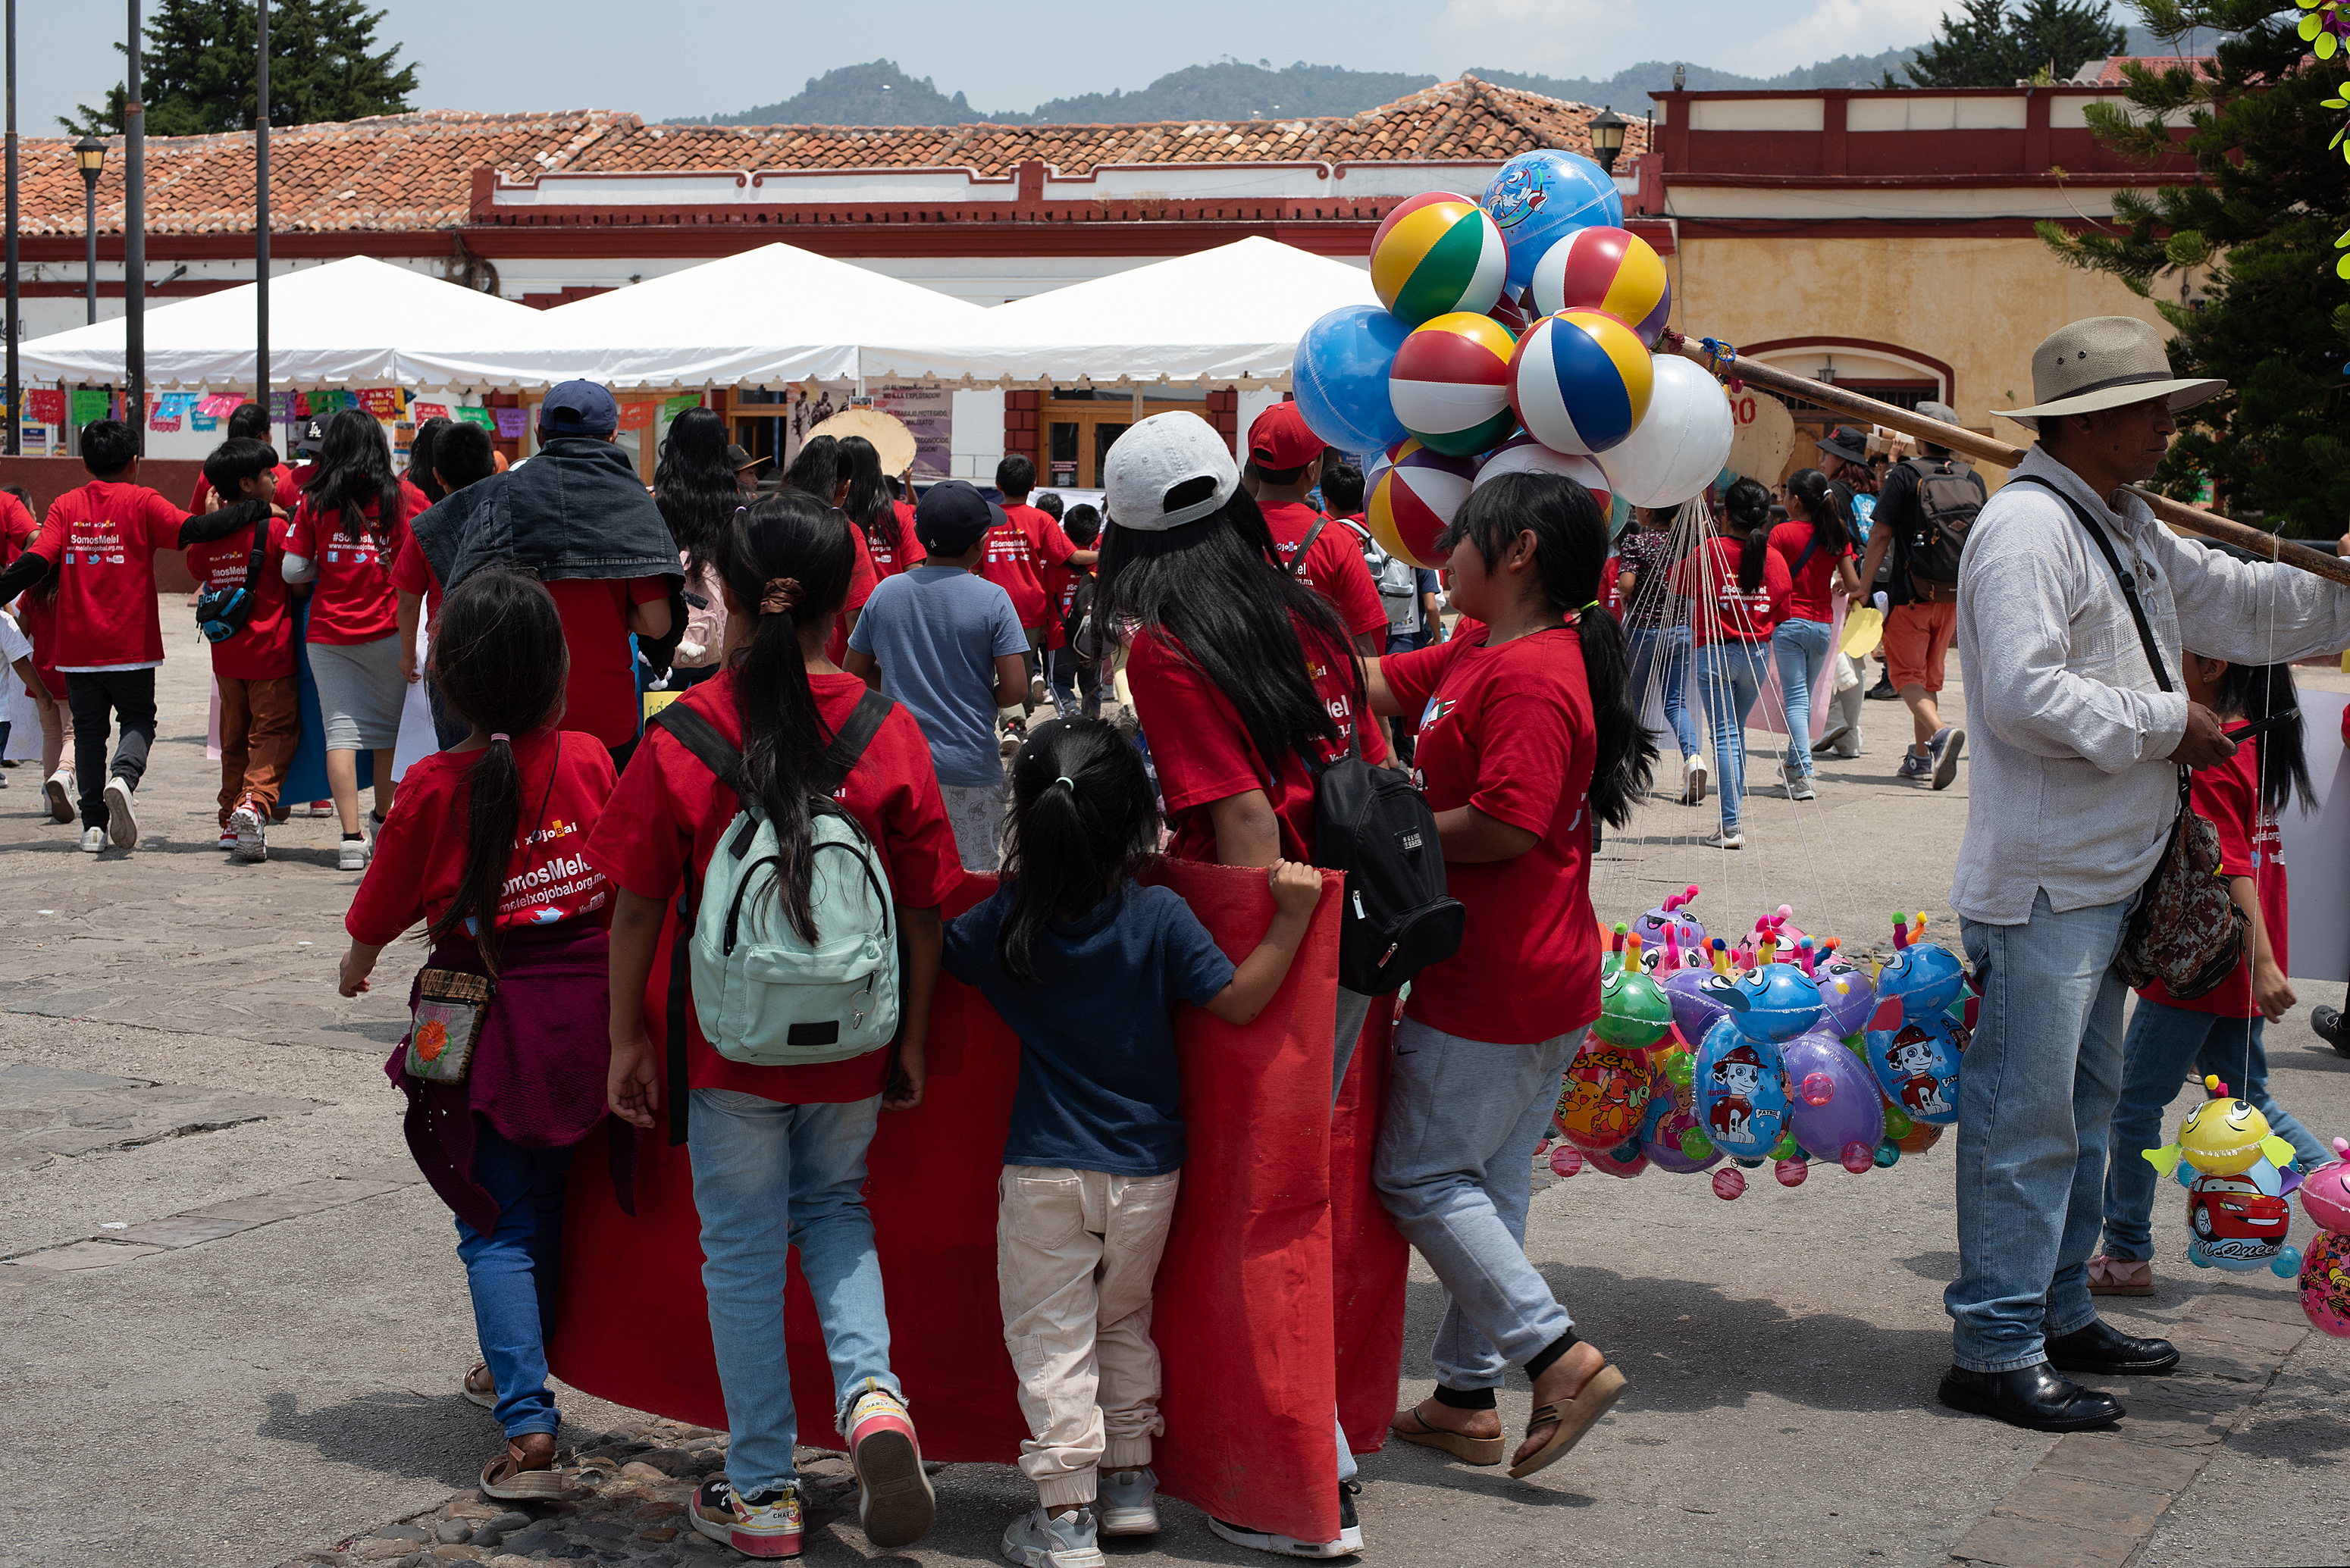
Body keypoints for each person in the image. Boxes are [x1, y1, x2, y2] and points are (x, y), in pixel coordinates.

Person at [1944, 315, 2350, 1432]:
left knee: (2078, 1108)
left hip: (2108, 871)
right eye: (2153, 407)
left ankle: (2059, 1306)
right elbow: (2025, 696)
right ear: (2093, 421)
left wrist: (2342, 584)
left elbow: (2241, 599)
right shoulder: (2027, 532)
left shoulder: (2120, 520)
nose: (2171, 423)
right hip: (2045, 881)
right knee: (2025, 1118)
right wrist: (2174, 721)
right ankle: (1993, 1338)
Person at [596, 491, 958, 1561]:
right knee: (838, 1211)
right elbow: (929, 907)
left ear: (733, 603)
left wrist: (627, 1039)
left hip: (727, 1045)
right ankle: (874, 1401)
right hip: (852, 1039)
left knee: (744, 1252)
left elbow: (634, 905)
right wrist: (914, 1043)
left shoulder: (686, 733)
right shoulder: (887, 732)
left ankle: (760, 1491)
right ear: (847, 600)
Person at [1096, 410, 1385, 1560]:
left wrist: (1252, 964)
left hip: (1277, 927)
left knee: (1253, 1207)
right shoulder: (1299, 602)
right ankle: (1321, 1450)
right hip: (1356, 916)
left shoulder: (1166, 640)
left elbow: (1247, 819)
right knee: (1307, 1195)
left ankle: (1299, 1475)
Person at [945, 718, 1321, 1568]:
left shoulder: (1003, 921)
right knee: (1122, 1322)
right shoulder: (1159, 914)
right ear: (1133, 822)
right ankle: (1127, 1483)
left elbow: (937, 950)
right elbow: (1236, 1002)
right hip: (1149, 1171)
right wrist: (1290, 917)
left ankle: (1066, 1515)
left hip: (1044, 1170)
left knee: (1051, 1338)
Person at [1360, 469, 1643, 1484]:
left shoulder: (1531, 674)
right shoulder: (1489, 645)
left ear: (1517, 550)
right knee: (1487, 1181)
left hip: (1502, 978)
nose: (1445, 554)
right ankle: (1465, 1396)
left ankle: (1555, 1356)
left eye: (1463, 537)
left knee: (1419, 1176)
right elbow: (1387, 684)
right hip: (1535, 970)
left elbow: (1507, 823)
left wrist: (1380, 843)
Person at [337, 568, 621, 1507]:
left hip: (466, 1013)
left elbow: (376, 905)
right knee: (546, 1208)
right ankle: (512, 1369)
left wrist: (357, 960)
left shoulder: (427, 783)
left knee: (493, 1223)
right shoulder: (587, 756)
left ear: (444, 677)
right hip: (586, 1015)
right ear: (557, 670)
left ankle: (530, 1422)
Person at [2088, 653, 2328, 1297]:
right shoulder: (2256, 735)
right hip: (2235, 966)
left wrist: (2265, 961)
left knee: (2134, 1104)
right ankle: (2338, 1188)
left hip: (2201, 965)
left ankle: (2128, 1254)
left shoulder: (2218, 747)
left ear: (2214, 664)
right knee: (2252, 1102)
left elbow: (2232, 867)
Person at [0, 418, 278, 852]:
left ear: (88, 463)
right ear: (134, 462)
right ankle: (124, 779)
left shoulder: (66, 506)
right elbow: (193, 531)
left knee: (89, 733)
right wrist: (255, 509)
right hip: (131, 646)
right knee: (137, 721)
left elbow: (36, 560)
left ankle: (93, 827)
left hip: (77, 650)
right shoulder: (142, 500)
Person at [409, 381, 682, 774]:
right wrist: (612, 612)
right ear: (611, 436)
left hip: (518, 712)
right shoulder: (632, 503)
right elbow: (658, 624)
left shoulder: (500, 497)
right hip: (606, 722)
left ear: (539, 434)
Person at [845, 480, 1029, 872]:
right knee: (972, 878)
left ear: (918, 534)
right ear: (980, 543)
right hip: (970, 767)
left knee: (906, 877)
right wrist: (979, 695)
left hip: (899, 769)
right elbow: (1015, 688)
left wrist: (897, 681)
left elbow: (853, 673)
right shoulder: (993, 599)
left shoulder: (885, 593)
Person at [282, 408, 428, 868]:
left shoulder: (314, 499)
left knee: (339, 734)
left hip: (327, 635)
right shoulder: (406, 497)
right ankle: (383, 823)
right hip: (389, 631)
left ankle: (349, 840)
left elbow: (292, 569)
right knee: (387, 734)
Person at [186, 437, 302, 863]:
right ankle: (253, 804)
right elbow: (297, 577)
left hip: (227, 657)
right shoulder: (273, 528)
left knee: (233, 739)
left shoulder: (210, 532)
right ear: (249, 484)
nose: (276, 481)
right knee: (273, 733)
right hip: (271, 653)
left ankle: (227, 822)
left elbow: (197, 567)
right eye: (270, 476)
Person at [1856, 402, 1978, 787]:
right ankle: (1922, 757)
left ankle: (1940, 735)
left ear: (1919, 436)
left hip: (1910, 594)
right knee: (1926, 680)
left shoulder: (1907, 474)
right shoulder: (1971, 478)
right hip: (1951, 597)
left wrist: (1863, 585)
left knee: (1905, 676)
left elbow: (1880, 534)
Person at [1669, 478, 1788, 850]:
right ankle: (1730, 822)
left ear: (1724, 514)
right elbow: (1781, 610)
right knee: (1734, 735)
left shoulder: (1710, 551)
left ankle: (1731, 825)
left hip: (1715, 653)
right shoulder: (1774, 558)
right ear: (1766, 517)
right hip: (1755, 654)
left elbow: (1676, 583)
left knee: (1725, 736)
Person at [1245, 402, 1388, 656]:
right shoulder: (1335, 541)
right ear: (1312, 471)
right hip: (1316, 692)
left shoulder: (1220, 534)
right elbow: (1368, 646)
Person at [1768, 469, 1866, 800]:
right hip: (1822, 627)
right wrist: (1837, 582)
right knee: (1804, 699)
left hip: (1790, 624)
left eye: (1785, 495)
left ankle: (1806, 771)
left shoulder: (1781, 534)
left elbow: (1773, 581)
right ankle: (1795, 765)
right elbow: (1855, 585)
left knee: (1795, 699)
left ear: (1794, 500)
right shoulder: (1836, 533)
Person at [985, 455, 1098, 715]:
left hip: (992, 605)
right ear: (1033, 485)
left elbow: (977, 566)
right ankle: (1019, 718)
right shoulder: (1042, 521)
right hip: (1031, 609)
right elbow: (1073, 557)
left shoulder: (987, 520)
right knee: (1021, 668)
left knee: (993, 668)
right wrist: (1111, 554)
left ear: (998, 485)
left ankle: (1012, 722)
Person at [1613, 504, 1704, 803]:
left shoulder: (1636, 541)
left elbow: (1627, 584)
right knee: (1676, 703)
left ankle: (1636, 774)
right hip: (1680, 632)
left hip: (1644, 631)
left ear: (1649, 514)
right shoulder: (1686, 545)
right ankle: (1693, 760)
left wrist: (1623, 586)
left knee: (1635, 704)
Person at [655, 408, 741, 695]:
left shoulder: (657, 503)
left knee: (663, 720)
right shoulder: (736, 505)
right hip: (724, 632)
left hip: (664, 634)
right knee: (714, 723)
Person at [1042, 503, 1102, 721]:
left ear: (1065, 531)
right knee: (1092, 684)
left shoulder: (1054, 565)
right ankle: (1093, 724)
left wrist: (1042, 629)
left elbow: (1047, 600)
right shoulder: (1102, 563)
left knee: (1059, 682)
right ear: (1096, 533)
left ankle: (1071, 717)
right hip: (1094, 635)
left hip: (1060, 634)